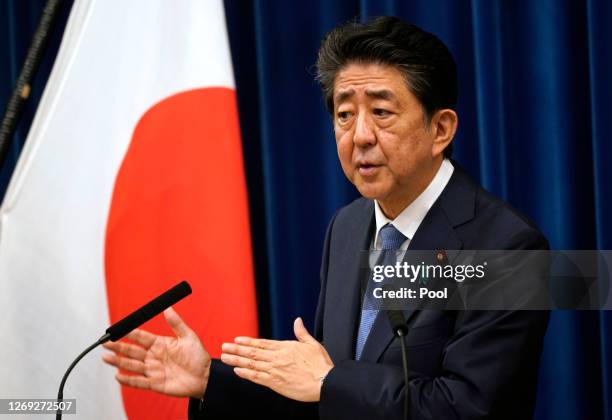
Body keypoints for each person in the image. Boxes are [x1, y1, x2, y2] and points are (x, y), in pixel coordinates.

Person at [102, 16, 549, 419]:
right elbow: (324, 399)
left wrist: (329, 382)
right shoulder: (349, 227)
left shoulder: (510, 247)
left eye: (381, 112)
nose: (360, 136)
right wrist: (209, 380)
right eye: (344, 115)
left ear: (441, 129)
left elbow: (466, 408)